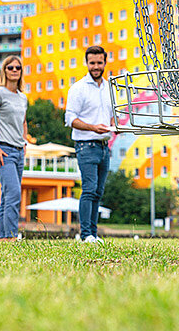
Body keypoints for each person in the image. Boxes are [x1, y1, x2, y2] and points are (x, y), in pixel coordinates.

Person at [65, 46, 114, 243]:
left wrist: (113, 126)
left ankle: (93, 234)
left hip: (104, 147)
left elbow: (111, 116)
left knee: (99, 192)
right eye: (92, 63)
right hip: (86, 145)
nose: (95, 66)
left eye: (99, 63)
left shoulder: (109, 88)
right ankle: (85, 235)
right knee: (89, 189)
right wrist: (93, 128)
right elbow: (70, 119)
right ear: (86, 63)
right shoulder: (78, 88)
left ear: (105, 62)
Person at [0, 55, 28, 241]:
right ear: (4, 71)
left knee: (7, 195)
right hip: (3, 150)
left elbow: (23, 121)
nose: (15, 70)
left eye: (18, 67)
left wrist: (24, 142)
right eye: (10, 68)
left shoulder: (22, 97)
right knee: (14, 194)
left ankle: (2, 238)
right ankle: (10, 237)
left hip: (18, 152)